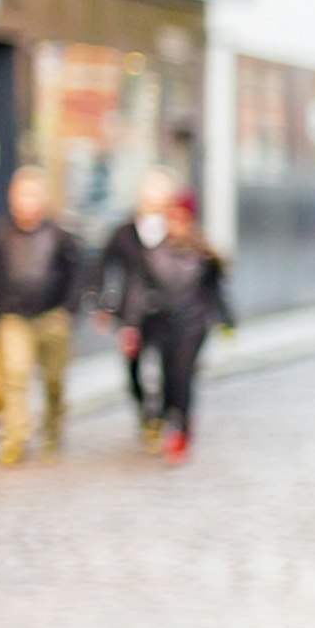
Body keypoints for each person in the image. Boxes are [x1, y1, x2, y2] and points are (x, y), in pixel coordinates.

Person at [0, 166, 86, 465]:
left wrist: (68, 311)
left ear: (43, 199)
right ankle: (16, 438)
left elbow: (77, 274)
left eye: (33, 195)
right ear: (12, 198)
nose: (26, 202)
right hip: (13, 316)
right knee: (16, 374)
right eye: (21, 195)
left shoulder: (60, 235)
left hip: (52, 316)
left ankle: (53, 426)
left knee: (53, 380)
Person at [126, 193, 231, 465]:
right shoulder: (153, 252)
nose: (175, 223)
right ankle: (167, 417)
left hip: (193, 325)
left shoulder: (203, 255)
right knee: (167, 376)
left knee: (184, 376)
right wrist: (132, 325)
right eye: (171, 217)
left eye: (180, 218)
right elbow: (138, 290)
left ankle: (181, 429)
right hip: (163, 324)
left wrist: (227, 321)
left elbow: (217, 292)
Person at [90, 171, 180, 447]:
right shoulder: (124, 233)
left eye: (159, 197)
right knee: (133, 368)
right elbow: (105, 266)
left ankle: (162, 413)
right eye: (149, 196)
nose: (153, 202)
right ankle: (145, 413)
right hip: (132, 315)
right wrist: (102, 304)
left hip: (168, 312)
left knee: (169, 367)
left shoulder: (177, 232)